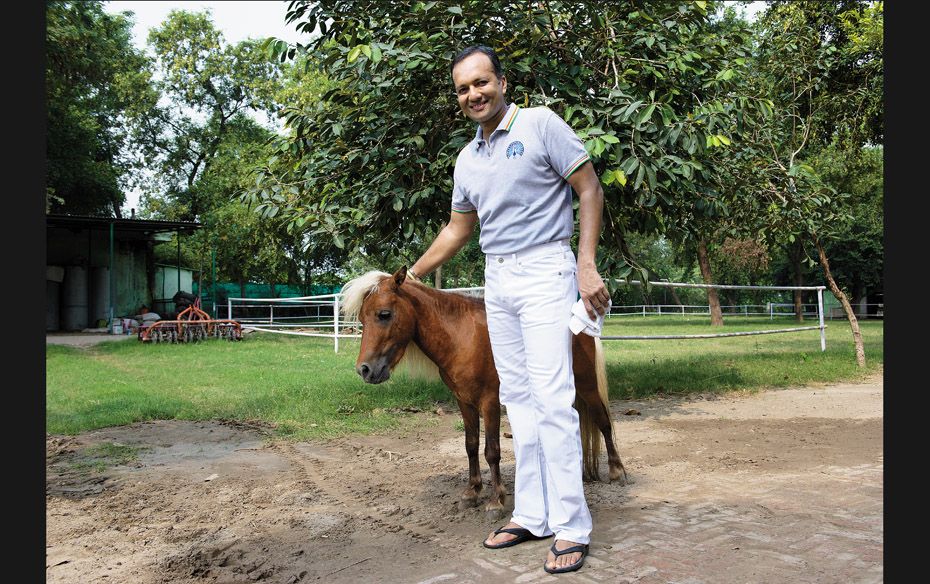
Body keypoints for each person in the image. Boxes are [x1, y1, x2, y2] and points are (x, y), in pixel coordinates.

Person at [408, 45, 611, 574]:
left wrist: (585, 266)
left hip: (546, 269)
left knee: (552, 398)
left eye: (481, 82)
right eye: (462, 89)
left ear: (501, 81)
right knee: (517, 399)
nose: (473, 94)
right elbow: (458, 228)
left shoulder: (541, 125)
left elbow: (588, 189)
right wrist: (413, 274)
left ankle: (572, 526)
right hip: (497, 278)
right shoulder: (467, 158)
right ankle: (533, 512)